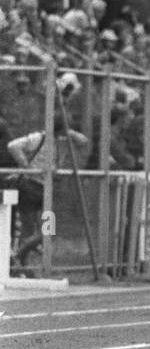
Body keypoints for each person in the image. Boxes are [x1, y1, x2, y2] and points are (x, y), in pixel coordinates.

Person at [5, 106, 91, 273]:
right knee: (28, 228)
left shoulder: (63, 140)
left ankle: (18, 259)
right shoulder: (39, 137)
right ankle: (17, 264)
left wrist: (69, 132)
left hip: (46, 189)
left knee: (47, 230)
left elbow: (84, 141)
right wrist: (26, 165)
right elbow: (13, 146)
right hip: (30, 187)